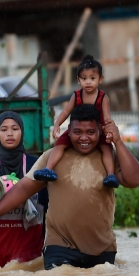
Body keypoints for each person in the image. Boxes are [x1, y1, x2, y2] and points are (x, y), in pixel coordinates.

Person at [0, 103, 139, 270]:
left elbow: (134, 180)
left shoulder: (108, 157)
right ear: (68, 131)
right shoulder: (51, 158)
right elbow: (24, 189)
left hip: (103, 249)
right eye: (77, 132)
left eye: (90, 132)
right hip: (59, 247)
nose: (84, 138)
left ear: (100, 132)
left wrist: (117, 141)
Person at [0, 111, 47, 270]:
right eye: (4, 129)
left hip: (28, 242)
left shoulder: (37, 164)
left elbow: (47, 206)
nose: (10, 134)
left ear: (22, 131)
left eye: (15, 128)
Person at [35, 55, 119, 188]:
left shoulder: (103, 98)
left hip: (98, 130)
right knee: (59, 145)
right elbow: (65, 112)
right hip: (76, 130)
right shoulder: (77, 95)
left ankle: (110, 175)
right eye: (84, 78)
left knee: (107, 149)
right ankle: (48, 169)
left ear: (100, 79)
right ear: (78, 80)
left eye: (92, 78)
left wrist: (108, 132)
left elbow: (107, 118)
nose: (88, 82)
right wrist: (57, 125)